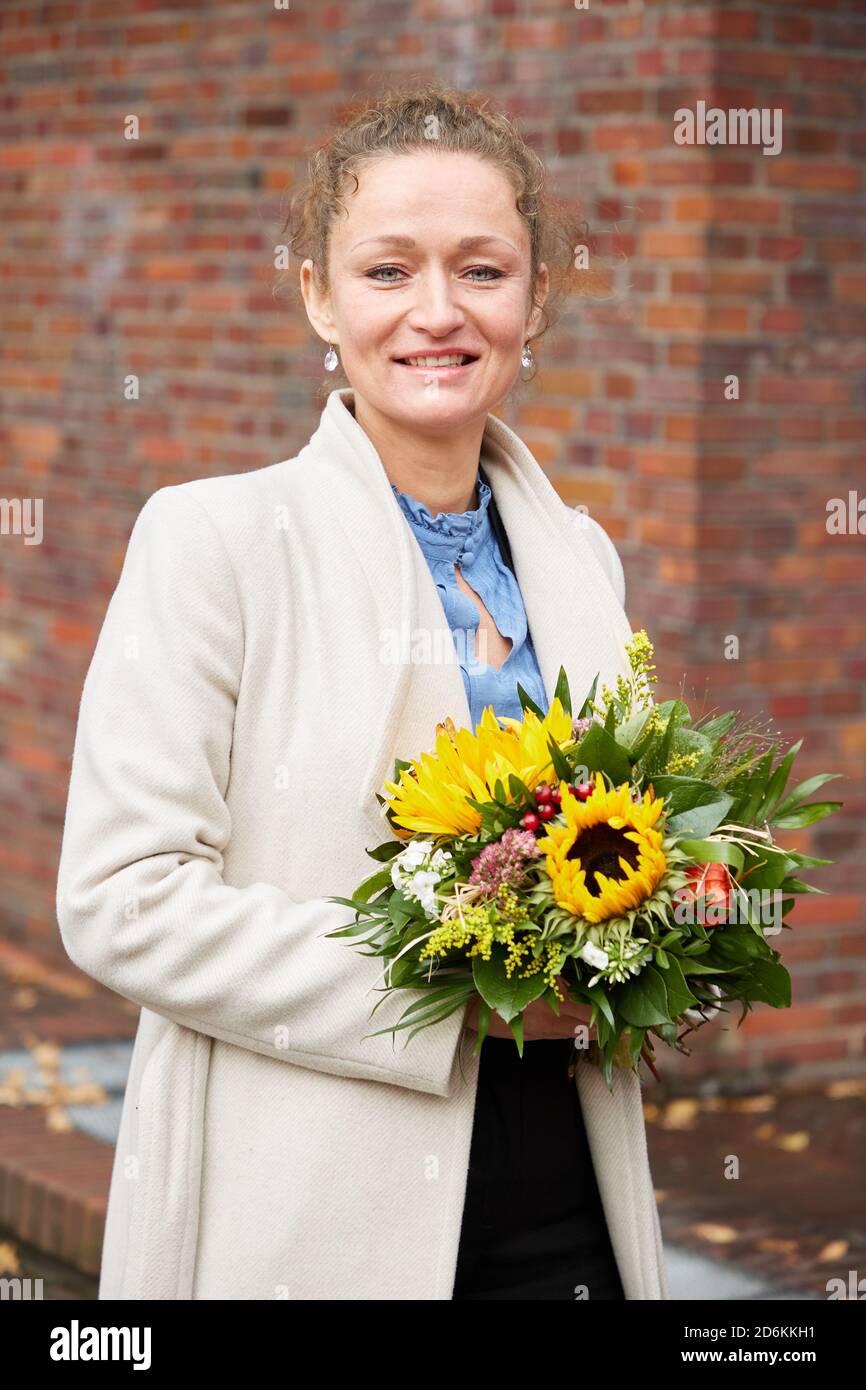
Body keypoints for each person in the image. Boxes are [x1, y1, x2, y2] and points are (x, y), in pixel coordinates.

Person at [55, 83, 669, 1300]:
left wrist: (669, 938)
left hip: (570, 1197)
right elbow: (124, 898)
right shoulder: (215, 540)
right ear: (316, 297)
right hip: (309, 1214)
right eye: (387, 271)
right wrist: (458, 993)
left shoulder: (580, 555)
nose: (436, 313)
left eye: (481, 272)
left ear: (534, 297)